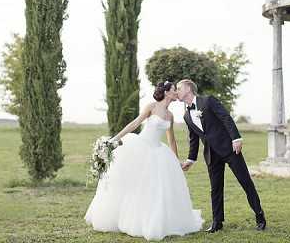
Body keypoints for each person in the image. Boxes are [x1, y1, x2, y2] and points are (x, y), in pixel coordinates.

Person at [84, 81, 203, 241]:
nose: (176, 93)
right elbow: (135, 124)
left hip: (159, 152)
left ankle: (151, 219)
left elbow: (172, 140)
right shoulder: (152, 106)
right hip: (140, 147)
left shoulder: (170, 116)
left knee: (155, 188)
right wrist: (114, 139)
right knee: (134, 184)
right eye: (175, 90)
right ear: (167, 92)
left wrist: (176, 161)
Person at [177, 79, 266, 233]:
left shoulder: (208, 101)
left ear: (188, 88)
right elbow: (194, 139)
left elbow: (226, 117)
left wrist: (236, 138)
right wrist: (191, 160)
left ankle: (259, 215)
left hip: (230, 149)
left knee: (245, 182)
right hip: (211, 155)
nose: (176, 91)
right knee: (215, 189)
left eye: (178, 88)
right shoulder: (186, 115)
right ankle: (217, 222)